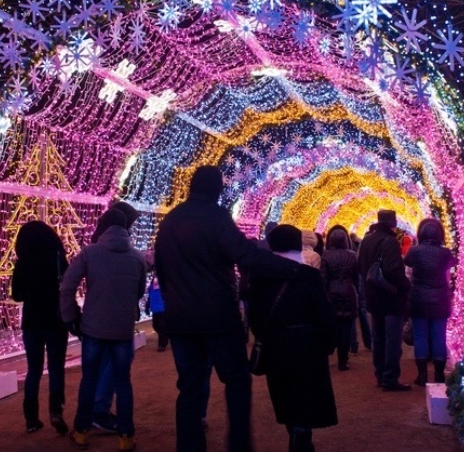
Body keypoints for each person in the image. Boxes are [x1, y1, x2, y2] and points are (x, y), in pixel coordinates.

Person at [154, 165, 299, 452]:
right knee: (236, 381)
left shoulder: (171, 220)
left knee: (190, 388)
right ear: (217, 189)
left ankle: (189, 446)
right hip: (217, 316)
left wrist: (162, 312)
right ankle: (239, 444)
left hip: (180, 319)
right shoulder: (215, 217)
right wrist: (293, 269)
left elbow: (161, 272)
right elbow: (245, 256)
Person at [61, 208, 147, 451]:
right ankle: (126, 436)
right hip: (122, 329)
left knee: (89, 379)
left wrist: (71, 317)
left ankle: (81, 432)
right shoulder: (137, 257)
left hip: (93, 327)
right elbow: (138, 292)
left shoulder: (90, 252)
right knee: (123, 382)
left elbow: (68, 286)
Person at [248, 224, 338, 452]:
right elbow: (323, 311)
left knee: (284, 395)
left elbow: (255, 315)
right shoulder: (308, 275)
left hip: (276, 345)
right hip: (307, 344)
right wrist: (329, 341)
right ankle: (300, 438)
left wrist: (263, 337)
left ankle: (296, 433)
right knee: (306, 396)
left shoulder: (261, 275)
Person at [10, 220, 70, 434]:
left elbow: (16, 295)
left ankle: (31, 419)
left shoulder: (22, 263)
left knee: (34, 369)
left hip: (32, 320)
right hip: (55, 318)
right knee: (56, 367)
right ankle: (56, 411)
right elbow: (68, 282)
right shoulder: (56, 259)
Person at [88, 201, 141, 434]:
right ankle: (99, 410)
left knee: (101, 363)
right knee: (116, 363)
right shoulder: (122, 247)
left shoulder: (95, 246)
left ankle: (94, 410)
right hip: (117, 313)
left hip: (96, 313)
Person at [358, 210, 412, 391]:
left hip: (373, 296)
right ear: (393, 223)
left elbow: (362, 267)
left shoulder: (366, 240)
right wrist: (405, 285)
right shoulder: (389, 241)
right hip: (390, 297)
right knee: (392, 339)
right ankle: (390, 377)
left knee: (379, 338)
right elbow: (392, 271)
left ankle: (380, 374)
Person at [404, 218, 458, 386]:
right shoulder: (446, 253)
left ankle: (422, 375)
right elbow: (451, 272)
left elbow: (408, 271)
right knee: (439, 336)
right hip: (440, 300)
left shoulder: (414, 251)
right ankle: (439, 374)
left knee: (420, 336)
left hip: (419, 299)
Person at [320, 225, 359, 371]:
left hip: (331, 292)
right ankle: (343, 360)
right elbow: (356, 277)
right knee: (346, 329)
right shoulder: (352, 255)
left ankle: (328, 352)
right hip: (348, 292)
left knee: (332, 325)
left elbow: (323, 278)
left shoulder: (326, 255)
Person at [147, 273, 169, 351]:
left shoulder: (164, 284)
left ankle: (162, 344)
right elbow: (150, 295)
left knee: (161, 326)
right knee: (155, 325)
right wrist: (148, 305)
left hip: (163, 308)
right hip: (155, 308)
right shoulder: (152, 285)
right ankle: (166, 335)